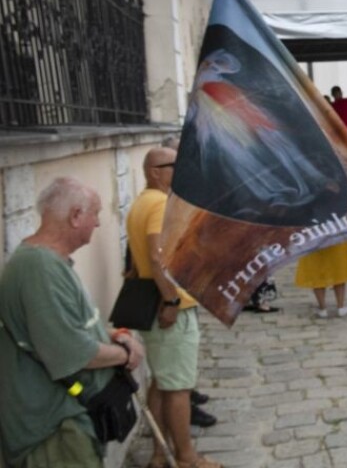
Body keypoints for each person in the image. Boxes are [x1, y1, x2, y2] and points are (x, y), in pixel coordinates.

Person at [0, 178, 147, 468]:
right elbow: (73, 352)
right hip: (54, 428)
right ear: (76, 215)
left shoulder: (50, 262)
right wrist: (127, 354)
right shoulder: (38, 268)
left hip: (68, 418)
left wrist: (117, 335)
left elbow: (73, 326)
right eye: (95, 213)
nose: (98, 223)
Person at [126, 149, 221, 468]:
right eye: (173, 166)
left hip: (156, 303)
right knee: (179, 386)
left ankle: (158, 454)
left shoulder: (142, 202)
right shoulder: (158, 203)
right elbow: (156, 257)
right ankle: (186, 457)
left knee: (162, 382)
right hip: (170, 307)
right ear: (154, 171)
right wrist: (170, 300)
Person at [294, 242, 347, 318]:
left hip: (315, 240)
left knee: (316, 269)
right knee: (339, 267)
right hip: (335, 239)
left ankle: (322, 308)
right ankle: (340, 306)